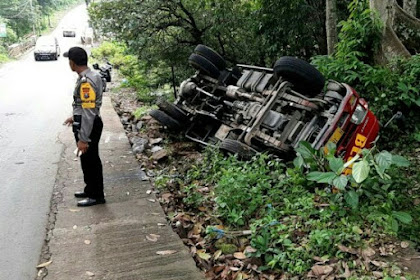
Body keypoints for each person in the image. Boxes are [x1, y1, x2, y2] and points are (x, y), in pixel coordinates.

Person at [63, 47, 105, 207]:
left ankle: (96, 195)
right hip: (90, 121)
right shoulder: (92, 75)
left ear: (72, 63)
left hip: (89, 125)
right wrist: (74, 117)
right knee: (86, 160)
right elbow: (87, 106)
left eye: (69, 61)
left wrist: (83, 138)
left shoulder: (86, 82)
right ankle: (90, 190)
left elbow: (88, 111)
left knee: (91, 160)